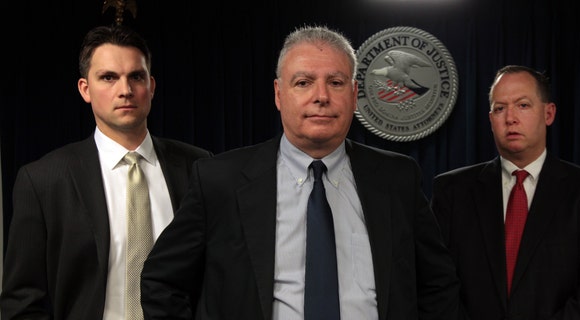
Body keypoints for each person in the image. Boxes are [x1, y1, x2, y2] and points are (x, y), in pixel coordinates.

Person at [140, 25, 464, 319]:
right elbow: (162, 282)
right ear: (279, 94)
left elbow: (438, 285)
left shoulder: (398, 179)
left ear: (354, 96)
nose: (321, 96)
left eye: (336, 83)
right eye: (303, 82)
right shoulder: (218, 180)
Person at [0, 24, 213, 319]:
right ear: (85, 89)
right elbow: (20, 303)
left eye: (136, 77)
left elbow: (220, 280)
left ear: (151, 86)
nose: (125, 90)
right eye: (109, 78)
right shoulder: (43, 180)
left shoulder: (199, 168)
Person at [430, 65, 580, 319]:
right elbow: (435, 284)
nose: (510, 117)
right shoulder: (451, 191)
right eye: (500, 108)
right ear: (491, 120)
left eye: (523, 105)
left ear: (548, 113)